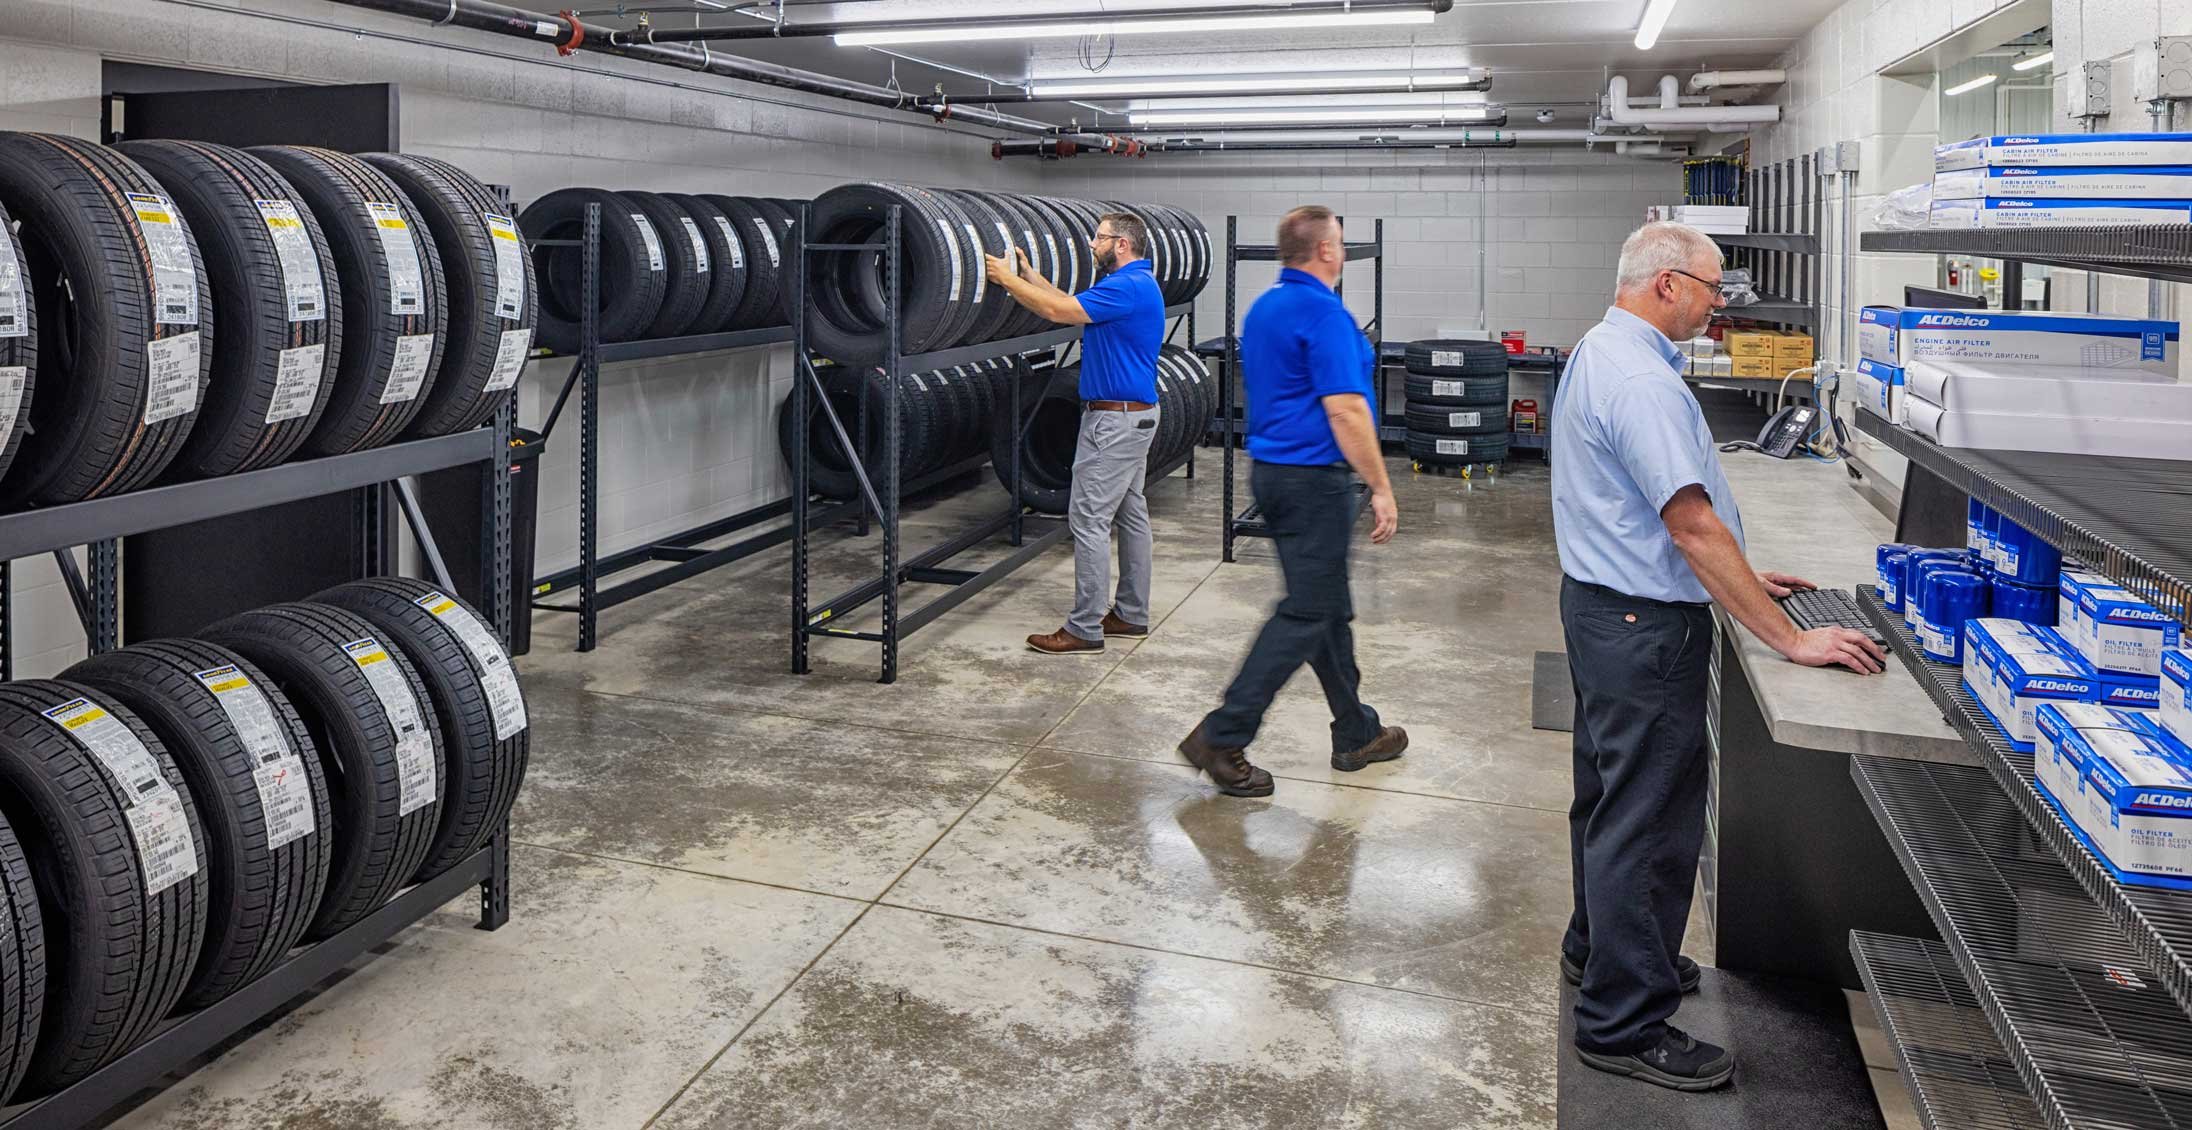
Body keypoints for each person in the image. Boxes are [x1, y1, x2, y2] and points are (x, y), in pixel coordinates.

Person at [1552, 221, 1886, 1091]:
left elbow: (1665, 516)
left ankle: (1603, 954)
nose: (1720, 308)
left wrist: (1738, 572)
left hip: (1602, 610)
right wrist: (1788, 635)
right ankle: (1622, 1022)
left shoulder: (1605, 349)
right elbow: (1689, 523)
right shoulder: (1641, 380)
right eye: (1712, 290)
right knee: (1651, 818)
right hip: (1643, 629)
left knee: (1609, 798)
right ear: (1667, 283)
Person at [1175, 205, 1407, 798]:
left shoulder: (1266, 307)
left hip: (1273, 476)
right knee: (1306, 611)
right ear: (1326, 251)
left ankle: (1356, 730)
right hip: (1313, 483)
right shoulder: (1323, 313)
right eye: (1342, 242)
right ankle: (1223, 735)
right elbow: (1346, 409)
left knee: (1325, 607)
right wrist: (1380, 485)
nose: (1344, 250)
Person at [984, 212, 1164, 655]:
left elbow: (1055, 311)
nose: (1092, 243)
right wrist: (1032, 276)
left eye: (1100, 238)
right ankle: (1130, 613)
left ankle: (1085, 627)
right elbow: (1072, 305)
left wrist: (1006, 280)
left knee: (1088, 520)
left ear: (1122, 245)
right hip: (1134, 416)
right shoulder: (1137, 283)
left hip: (1114, 422)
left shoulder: (1126, 287)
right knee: (1130, 513)